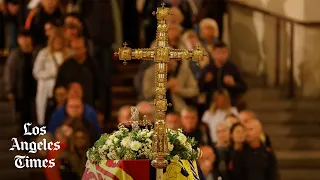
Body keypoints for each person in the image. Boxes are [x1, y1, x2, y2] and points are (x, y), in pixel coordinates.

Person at [3, 29, 40, 142]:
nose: (25, 41)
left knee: (35, 113)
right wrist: (10, 90)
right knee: (23, 115)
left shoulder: (37, 52)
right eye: (22, 38)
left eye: (27, 38)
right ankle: (23, 137)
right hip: (21, 89)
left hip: (36, 88)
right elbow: (9, 73)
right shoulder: (15, 54)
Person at [33, 29, 69, 126]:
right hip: (46, 90)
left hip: (62, 90)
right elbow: (36, 72)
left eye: (60, 42)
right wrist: (53, 72)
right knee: (46, 117)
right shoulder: (44, 53)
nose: (58, 44)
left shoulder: (67, 54)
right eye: (56, 41)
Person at [198, 41, 247, 108]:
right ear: (213, 54)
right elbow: (199, 88)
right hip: (212, 105)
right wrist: (205, 81)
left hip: (230, 104)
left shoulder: (232, 68)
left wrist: (233, 84)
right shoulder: (207, 69)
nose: (221, 55)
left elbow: (244, 87)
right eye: (218, 53)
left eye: (224, 52)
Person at [55, 37, 99, 107]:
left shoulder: (93, 65)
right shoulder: (65, 66)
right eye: (73, 48)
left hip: (90, 105)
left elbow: (100, 88)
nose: (75, 51)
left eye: (78, 48)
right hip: (70, 106)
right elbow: (58, 87)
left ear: (85, 49)